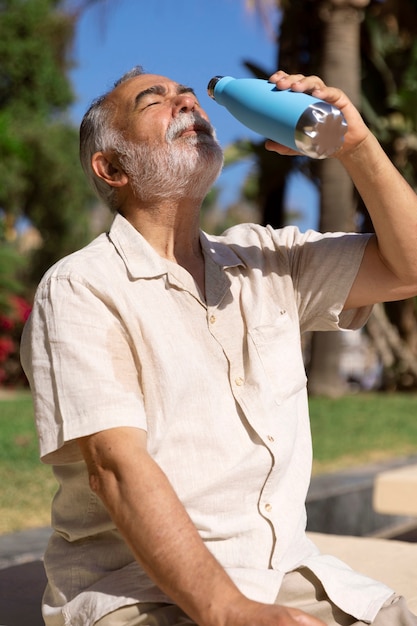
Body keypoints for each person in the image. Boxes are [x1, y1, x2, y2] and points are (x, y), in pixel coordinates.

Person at [20, 66, 417, 626]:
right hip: (144, 594)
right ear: (111, 168)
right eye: (154, 101)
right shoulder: (81, 287)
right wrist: (227, 609)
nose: (187, 102)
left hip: (284, 573)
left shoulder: (267, 258)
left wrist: (357, 146)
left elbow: (410, 265)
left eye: (188, 95)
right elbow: (115, 467)